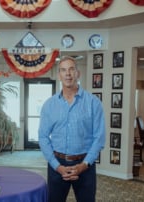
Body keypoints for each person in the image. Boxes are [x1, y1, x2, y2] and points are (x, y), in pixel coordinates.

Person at [38, 56, 106, 202]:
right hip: (57, 165)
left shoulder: (93, 103)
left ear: (77, 73)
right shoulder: (49, 105)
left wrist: (84, 164)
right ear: (59, 75)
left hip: (85, 166)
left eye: (71, 69)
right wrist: (57, 166)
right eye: (63, 70)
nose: (67, 74)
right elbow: (43, 137)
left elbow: (99, 138)